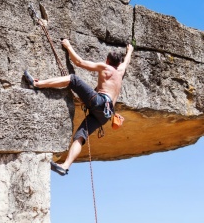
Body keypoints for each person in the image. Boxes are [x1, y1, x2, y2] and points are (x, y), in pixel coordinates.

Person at [24, 39, 134, 176]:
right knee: (80, 137)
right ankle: (65, 166)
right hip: (106, 114)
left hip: (99, 101)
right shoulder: (121, 71)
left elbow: (79, 62)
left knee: (73, 79)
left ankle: (37, 84)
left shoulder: (105, 68)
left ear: (107, 60)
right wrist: (130, 50)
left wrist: (68, 46)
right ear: (118, 64)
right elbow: (127, 61)